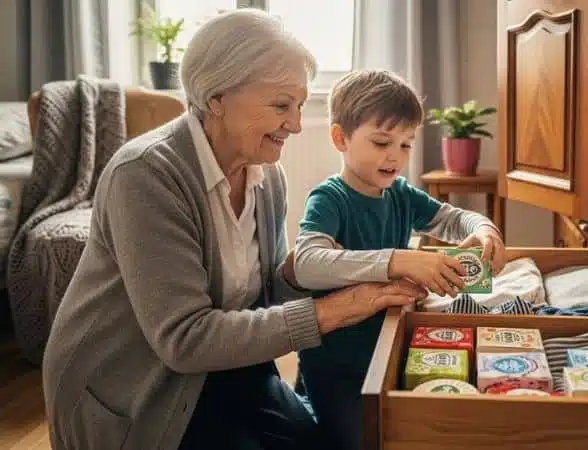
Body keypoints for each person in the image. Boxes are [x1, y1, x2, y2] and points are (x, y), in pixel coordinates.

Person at [41, 10, 426, 450]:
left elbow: (264, 295)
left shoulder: (267, 176)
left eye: (299, 106)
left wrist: (308, 274)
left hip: (224, 369)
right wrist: (337, 309)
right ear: (217, 97)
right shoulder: (146, 174)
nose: (297, 124)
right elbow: (185, 339)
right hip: (138, 387)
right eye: (282, 105)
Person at [292, 69, 508, 449]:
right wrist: (398, 261)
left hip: (389, 347)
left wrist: (486, 228)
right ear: (340, 138)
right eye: (381, 142)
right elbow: (307, 262)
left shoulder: (401, 194)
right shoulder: (329, 198)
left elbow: (452, 218)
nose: (395, 156)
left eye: (406, 144)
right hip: (335, 367)